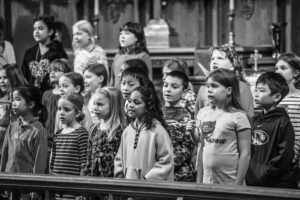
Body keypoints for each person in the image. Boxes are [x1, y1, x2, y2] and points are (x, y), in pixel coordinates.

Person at [196, 68, 251, 185]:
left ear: (228, 90)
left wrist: (238, 184)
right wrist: (199, 181)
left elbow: (245, 154)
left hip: (230, 182)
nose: (209, 90)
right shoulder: (203, 113)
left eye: (214, 86)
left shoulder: (238, 116)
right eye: (207, 86)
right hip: (207, 182)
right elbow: (201, 148)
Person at [114, 83, 174, 181]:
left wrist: (146, 180)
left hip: (149, 188)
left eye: (136, 102)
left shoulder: (158, 131)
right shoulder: (127, 131)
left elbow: (166, 160)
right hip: (129, 186)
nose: (130, 105)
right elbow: (119, 158)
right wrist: (120, 173)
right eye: (129, 101)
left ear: (147, 107)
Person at [246, 72, 295, 188]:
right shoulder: (254, 120)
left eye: (262, 90)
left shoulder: (282, 122)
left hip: (273, 182)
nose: (256, 94)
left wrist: (267, 172)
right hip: (251, 178)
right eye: (256, 89)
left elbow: (285, 154)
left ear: (276, 97)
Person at [0, 85, 48, 200]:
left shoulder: (38, 130)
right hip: (9, 182)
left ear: (31, 104)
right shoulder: (12, 126)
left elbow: (39, 161)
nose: (14, 103)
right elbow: (5, 154)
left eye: (18, 99)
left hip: (26, 186)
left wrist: (35, 187)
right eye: (13, 99)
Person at [195, 44, 254, 118]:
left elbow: (248, 116)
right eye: (212, 59)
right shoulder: (203, 89)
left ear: (232, 66)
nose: (214, 62)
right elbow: (197, 117)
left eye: (220, 58)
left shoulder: (241, 87)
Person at [50, 93, 88, 199]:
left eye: (66, 110)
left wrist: (80, 191)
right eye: (59, 109)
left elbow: (83, 164)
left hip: (73, 189)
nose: (61, 113)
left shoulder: (81, 133)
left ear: (77, 113)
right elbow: (52, 163)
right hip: (57, 187)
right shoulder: (58, 134)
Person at [162, 71, 196, 182]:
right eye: (165, 85)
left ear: (184, 92)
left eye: (174, 87)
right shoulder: (156, 114)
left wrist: (162, 166)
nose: (168, 89)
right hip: (156, 172)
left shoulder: (186, 117)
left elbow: (185, 149)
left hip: (179, 176)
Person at [21, 15, 68, 93]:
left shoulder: (58, 52)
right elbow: (23, 76)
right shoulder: (29, 52)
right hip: (32, 96)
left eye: (40, 28)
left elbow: (65, 77)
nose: (36, 31)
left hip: (52, 95)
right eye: (34, 29)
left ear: (50, 32)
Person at [275, 53, 300, 188]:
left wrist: (294, 155)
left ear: (296, 72)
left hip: (294, 156)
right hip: (278, 154)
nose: (278, 71)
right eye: (276, 68)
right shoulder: (275, 98)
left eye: (283, 68)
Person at [111, 22, 152, 88]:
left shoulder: (142, 56)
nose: (122, 37)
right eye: (121, 33)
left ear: (136, 38)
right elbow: (112, 79)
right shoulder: (118, 56)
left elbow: (147, 81)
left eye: (127, 33)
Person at [0, 64, 28, 159]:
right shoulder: (2, 98)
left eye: (5, 78)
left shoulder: (23, 101)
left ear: (14, 78)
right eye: (0, 78)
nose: (1, 81)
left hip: (16, 151)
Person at [42, 59, 71, 149]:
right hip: (45, 138)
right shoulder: (46, 94)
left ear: (66, 73)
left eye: (57, 70)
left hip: (61, 138)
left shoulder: (67, 95)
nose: (52, 73)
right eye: (50, 70)